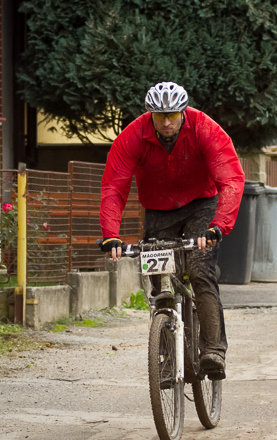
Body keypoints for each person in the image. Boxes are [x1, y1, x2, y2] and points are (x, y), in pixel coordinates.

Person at [100, 81, 245, 379]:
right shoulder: (133, 136)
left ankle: (213, 351)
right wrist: (110, 233)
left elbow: (231, 179)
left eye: (173, 115)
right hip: (158, 211)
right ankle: (166, 354)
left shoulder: (205, 128)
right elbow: (114, 186)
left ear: (183, 112)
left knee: (200, 270)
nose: (166, 122)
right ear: (149, 114)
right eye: (159, 116)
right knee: (160, 287)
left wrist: (218, 226)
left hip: (201, 205)